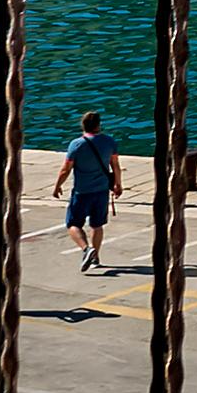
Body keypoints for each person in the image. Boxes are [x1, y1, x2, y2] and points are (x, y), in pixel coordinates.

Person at [56, 112, 122, 276]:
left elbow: (66, 168)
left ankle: (87, 249)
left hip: (82, 191)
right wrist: (118, 184)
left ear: (83, 126)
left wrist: (57, 186)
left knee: (73, 224)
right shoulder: (109, 142)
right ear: (98, 125)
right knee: (97, 225)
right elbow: (115, 165)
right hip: (101, 191)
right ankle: (95, 259)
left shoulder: (76, 144)